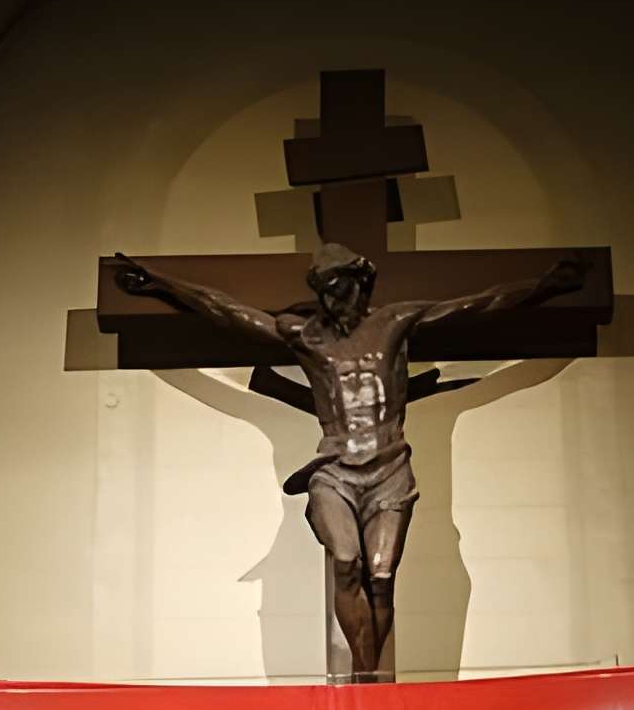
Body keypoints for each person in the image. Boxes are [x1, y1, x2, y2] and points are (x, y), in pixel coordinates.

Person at [114, 240, 586, 677]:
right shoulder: (306, 335)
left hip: (390, 469)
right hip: (335, 470)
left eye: (336, 288)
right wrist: (160, 283)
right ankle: (366, 672)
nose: (330, 302)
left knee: (381, 576)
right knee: (345, 560)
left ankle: (369, 670)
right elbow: (227, 311)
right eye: (321, 292)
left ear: (360, 282)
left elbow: (477, 306)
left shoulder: (397, 322)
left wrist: (544, 287)